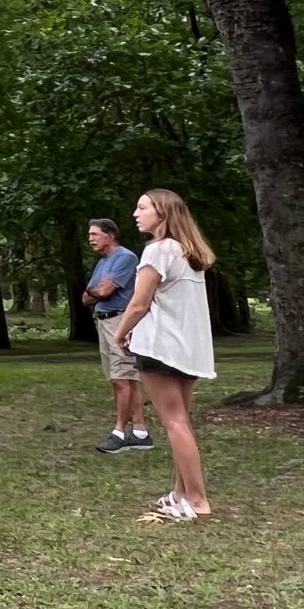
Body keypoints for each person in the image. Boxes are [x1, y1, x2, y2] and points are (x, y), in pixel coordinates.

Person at [116, 189, 218, 520]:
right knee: (181, 423)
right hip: (188, 349)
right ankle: (181, 492)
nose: (136, 212)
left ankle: (198, 500)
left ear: (163, 213)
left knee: (174, 422)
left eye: (142, 207)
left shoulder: (158, 250)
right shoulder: (189, 253)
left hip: (160, 347)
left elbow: (139, 303)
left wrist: (120, 333)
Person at [81, 218, 152, 454]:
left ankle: (119, 432)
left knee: (123, 378)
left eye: (95, 234)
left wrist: (98, 292)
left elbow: (103, 291)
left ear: (110, 235)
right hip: (104, 321)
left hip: (121, 321)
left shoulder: (125, 257)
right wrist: (97, 292)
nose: (90, 238)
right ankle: (141, 433)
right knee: (124, 379)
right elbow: (86, 298)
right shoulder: (103, 263)